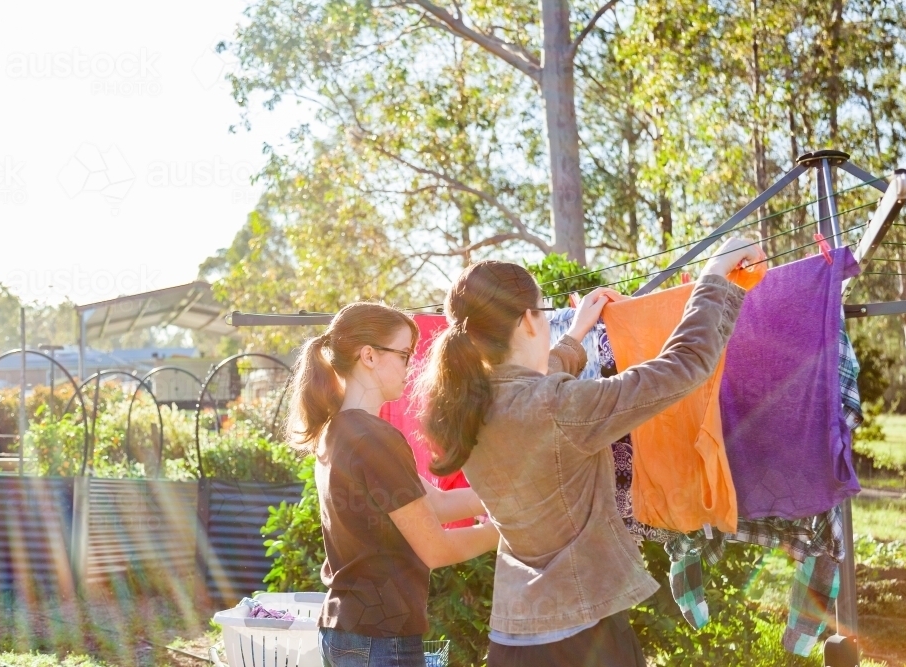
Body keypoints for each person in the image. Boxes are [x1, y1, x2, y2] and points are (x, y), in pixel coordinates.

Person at [416, 238, 765, 666]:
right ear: (529, 319)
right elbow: (683, 365)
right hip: (581, 641)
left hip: (512, 637)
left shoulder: (468, 408)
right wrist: (713, 276)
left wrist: (577, 333)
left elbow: (539, 387)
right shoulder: (556, 406)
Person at [284, 302, 499, 667]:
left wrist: (511, 498)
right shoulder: (373, 438)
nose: (410, 365)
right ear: (368, 355)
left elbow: (439, 503)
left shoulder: (340, 429)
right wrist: (508, 531)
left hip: (348, 628)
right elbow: (435, 548)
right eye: (403, 354)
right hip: (378, 637)